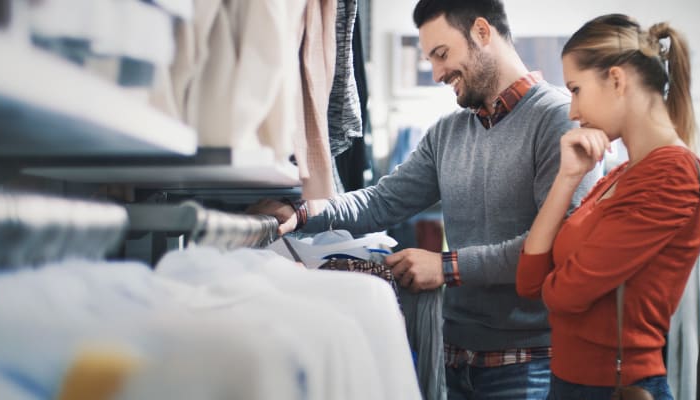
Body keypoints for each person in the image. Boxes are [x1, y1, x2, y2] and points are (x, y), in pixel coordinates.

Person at [252, 0, 598, 398]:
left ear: (482, 32)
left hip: (528, 365)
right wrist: (302, 212)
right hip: (456, 359)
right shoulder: (447, 133)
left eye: (441, 54)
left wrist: (446, 268)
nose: (436, 73)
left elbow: (556, 248)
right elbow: (381, 202)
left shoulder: (556, 119)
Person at [515, 13, 700, 400]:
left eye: (575, 89)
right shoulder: (621, 174)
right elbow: (530, 282)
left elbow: (563, 294)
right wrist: (567, 177)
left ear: (617, 80)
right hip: (573, 383)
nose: (572, 111)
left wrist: (560, 281)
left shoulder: (672, 173)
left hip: (617, 388)